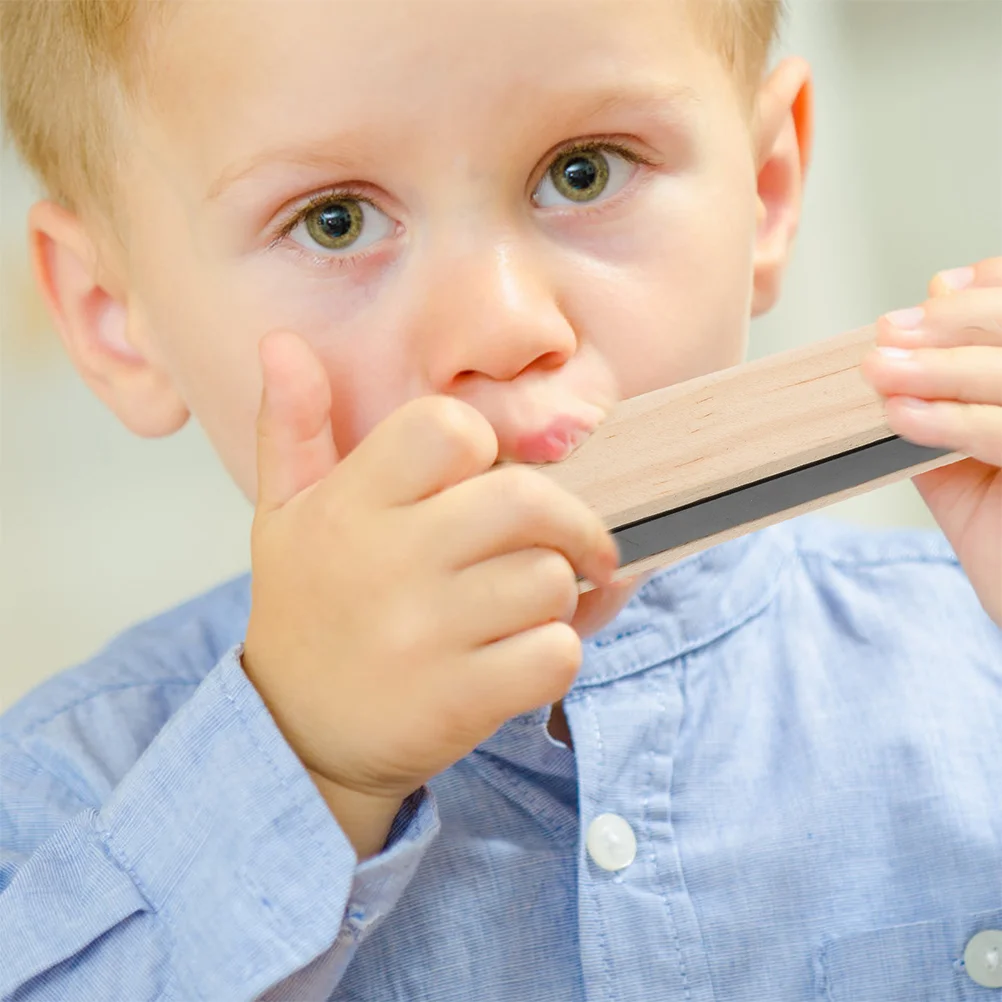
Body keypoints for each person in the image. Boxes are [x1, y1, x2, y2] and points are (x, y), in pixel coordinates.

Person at [1, 0, 1000, 998]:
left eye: (585, 170)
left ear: (768, 193)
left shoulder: (976, 651)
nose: (501, 324)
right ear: (114, 317)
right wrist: (308, 767)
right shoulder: (60, 797)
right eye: (334, 219)